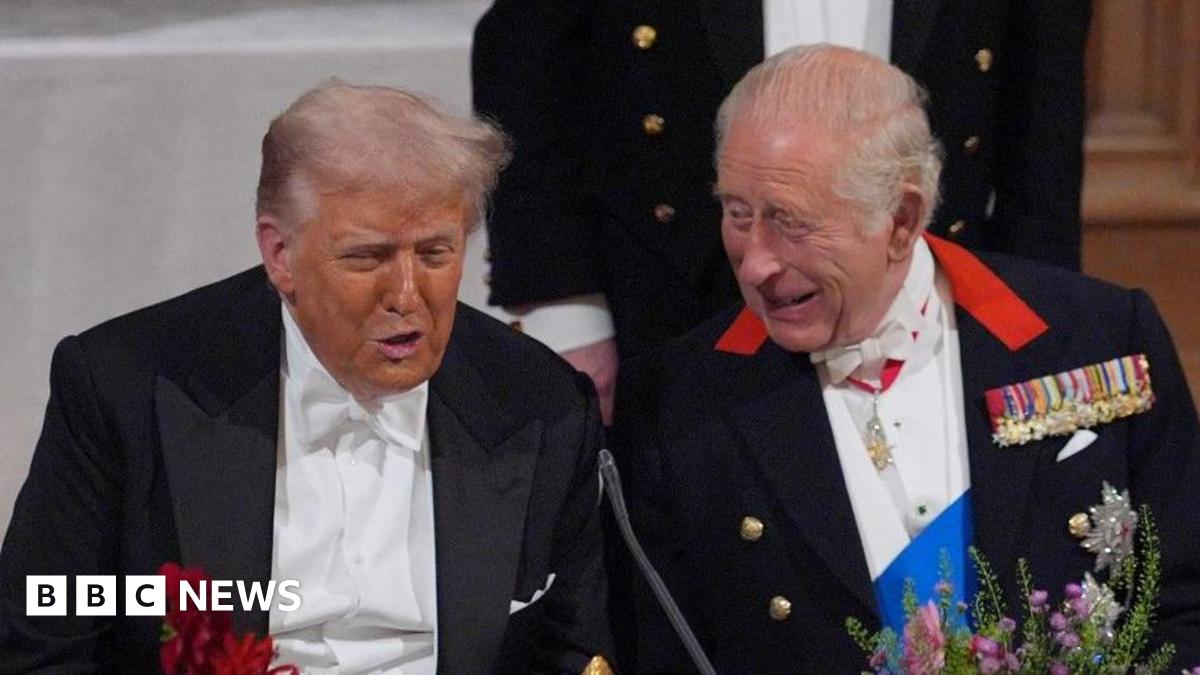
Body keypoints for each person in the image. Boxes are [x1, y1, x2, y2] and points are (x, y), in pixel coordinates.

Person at [611, 45, 1200, 673]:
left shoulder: (1098, 336)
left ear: (902, 217)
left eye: (792, 223)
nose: (755, 265)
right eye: (737, 214)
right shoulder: (676, 400)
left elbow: (1185, 603)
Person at [0, 84, 613, 674]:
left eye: (434, 254)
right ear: (280, 255)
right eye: (366, 257)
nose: (406, 296)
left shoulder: (542, 404)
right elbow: (48, 629)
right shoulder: (125, 387)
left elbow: (572, 652)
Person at [472, 0, 1091, 420]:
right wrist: (567, 314)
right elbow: (525, 60)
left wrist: (1025, 322)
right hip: (669, 309)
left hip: (932, 300)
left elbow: (1045, 112)